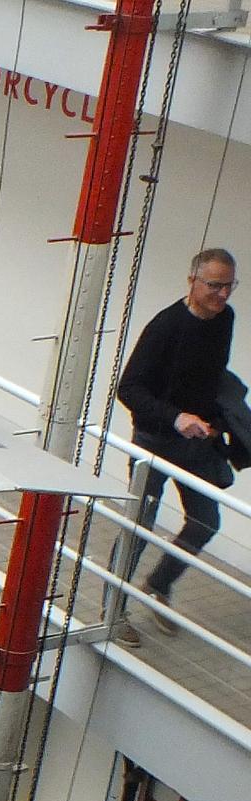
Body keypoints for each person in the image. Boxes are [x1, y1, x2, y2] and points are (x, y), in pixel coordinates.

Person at [114, 247, 238, 644]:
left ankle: (158, 583)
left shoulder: (225, 320)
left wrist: (214, 423)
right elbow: (128, 387)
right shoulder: (166, 327)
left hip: (195, 441)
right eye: (214, 286)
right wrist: (175, 417)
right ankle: (113, 609)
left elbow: (212, 377)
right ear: (192, 282)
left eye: (229, 286)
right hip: (154, 439)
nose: (222, 295)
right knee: (140, 526)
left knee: (205, 522)